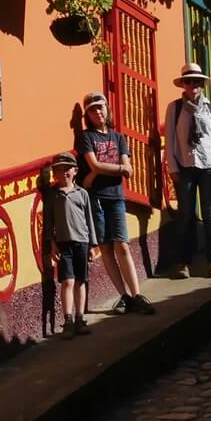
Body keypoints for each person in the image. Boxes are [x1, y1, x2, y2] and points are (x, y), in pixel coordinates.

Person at [76, 91, 156, 315]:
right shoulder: (86, 137)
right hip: (97, 199)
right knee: (106, 247)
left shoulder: (118, 137)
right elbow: (95, 164)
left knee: (122, 244)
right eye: (92, 110)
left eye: (100, 107)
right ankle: (124, 296)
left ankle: (136, 294)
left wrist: (100, 172)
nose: (97, 112)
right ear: (87, 115)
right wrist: (115, 169)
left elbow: (126, 169)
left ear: (107, 109)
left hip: (115, 197)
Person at [164, 63, 211, 279]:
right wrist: (173, 167)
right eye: (188, 81)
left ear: (202, 85)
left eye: (196, 81)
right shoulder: (174, 108)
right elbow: (171, 140)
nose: (192, 85)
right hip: (185, 167)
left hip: (208, 167)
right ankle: (183, 262)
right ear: (182, 84)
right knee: (185, 216)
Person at [42, 152, 101, 338]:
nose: (64, 172)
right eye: (60, 169)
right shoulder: (52, 195)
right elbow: (48, 222)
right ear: (54, 173)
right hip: (63, 243)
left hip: (82, 241)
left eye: (68, 169)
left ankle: (79, 318)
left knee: (81, 280)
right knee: (68, 280)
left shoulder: (82, 193)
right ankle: (67, 320)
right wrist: (52, 245)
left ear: (75, 171)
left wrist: (93, 244)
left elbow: (89, 219)